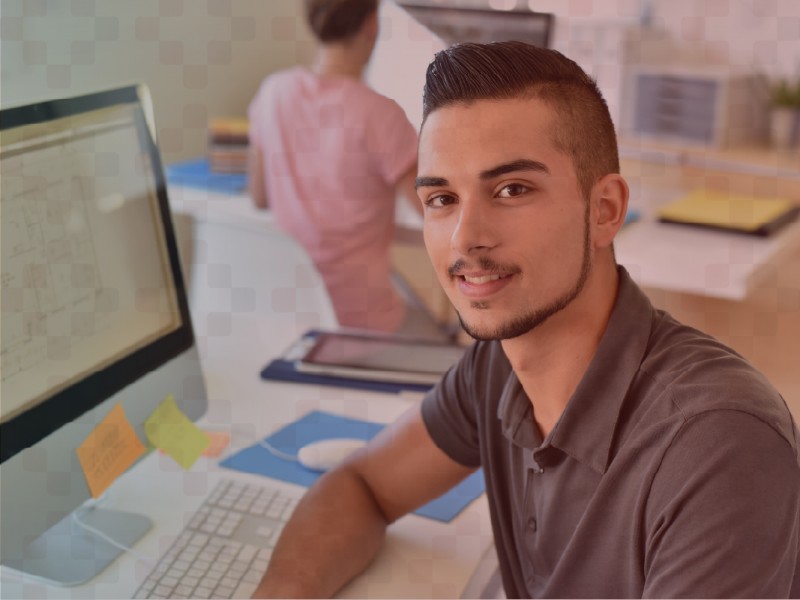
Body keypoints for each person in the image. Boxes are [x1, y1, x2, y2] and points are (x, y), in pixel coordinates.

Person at [251, 41, 800, 598]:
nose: (466, 237)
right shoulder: (496, 368)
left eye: (512, 189)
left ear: (605, 210)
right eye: (441, 198)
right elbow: (362, 484)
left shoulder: (719, 446)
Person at [247, 0, 441, 337]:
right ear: (371, 24)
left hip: (296, 324)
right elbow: (435, 214)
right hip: (365, 328)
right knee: (449, 342)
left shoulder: (272, 92)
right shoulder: (380, 114)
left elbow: (260, 196)